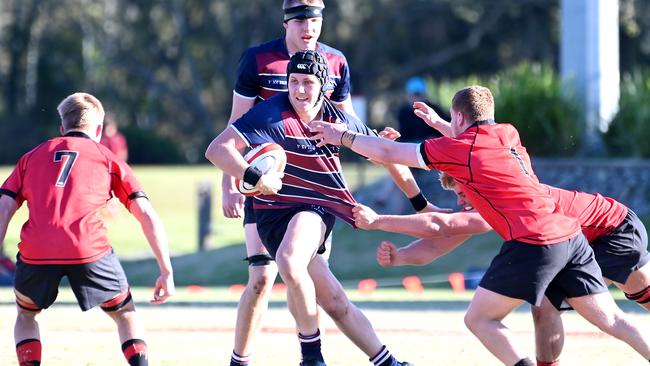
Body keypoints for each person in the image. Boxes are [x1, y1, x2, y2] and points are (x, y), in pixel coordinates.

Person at [308, 85, 650, 365]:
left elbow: (390, 153)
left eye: (459, 190)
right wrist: (445, 127)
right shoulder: (508, 134)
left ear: (459, 116)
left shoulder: (464, 153)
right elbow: (471, 152)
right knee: (608, 318)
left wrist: (343, 137)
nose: (460, 195)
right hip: (571, 235)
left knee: (479, 319)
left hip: (541, 239)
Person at [221, 1, 433, 365]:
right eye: (301, 19)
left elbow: (348, 124)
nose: (309, 26)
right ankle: (244, 359)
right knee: (261, 278)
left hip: (317, 190)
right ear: (286, 21)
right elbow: (232, 129)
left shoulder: (336, 62)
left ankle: (341, 357)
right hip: (267, 188)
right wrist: (234, 180)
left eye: (315, 19)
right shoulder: (257, 61)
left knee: (319, 287)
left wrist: (372, 142)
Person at [354, 171, 650, 365]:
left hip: (612, 227)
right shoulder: (488, 200)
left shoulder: (499, 199)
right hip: (575, 238)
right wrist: (402, 257)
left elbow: (440, 223)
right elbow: (438, 242)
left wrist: (378, 221)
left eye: (461, 193)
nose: (460, 201)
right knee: (545, 305)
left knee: (617, 310)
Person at [0, 92, 175, 366]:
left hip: (37, 251)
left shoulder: (31, 157)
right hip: (88, 250)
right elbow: (146, 215)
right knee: (125, 313)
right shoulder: (107, 158)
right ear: (99, 129)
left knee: (26, 315)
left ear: (62, 127)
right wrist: (166, 270)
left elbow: (3, 209)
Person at [396, 77, 447, 143]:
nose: (416, 98)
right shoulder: (403, 113)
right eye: (413, 95)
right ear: (408, 95)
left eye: (418, 94)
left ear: (424, 94)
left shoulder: (434, 109)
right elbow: (404, 138)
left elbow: (444, 132)